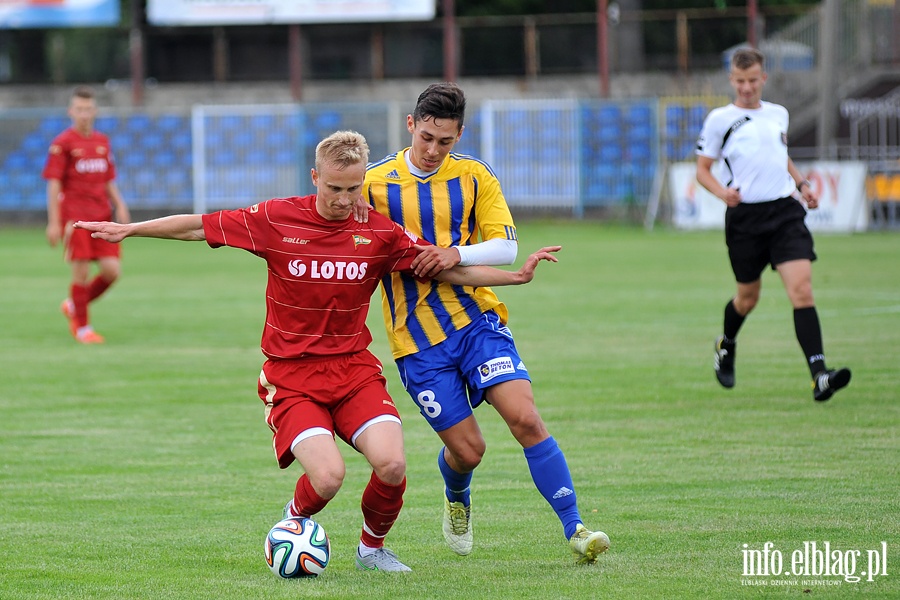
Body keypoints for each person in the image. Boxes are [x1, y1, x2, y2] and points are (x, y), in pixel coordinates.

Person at [75, 130, 561, 573]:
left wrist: (514, 277)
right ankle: (291, 526)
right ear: (315, 178)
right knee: (328, 478)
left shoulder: (379, 233)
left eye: (353, 190)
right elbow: (199, 227)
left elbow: (445, 269)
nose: (344, 200)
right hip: (292, 377)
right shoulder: (276, 218)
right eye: (334, 189)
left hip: (353, 372)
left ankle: (372, 549)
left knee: (392, 466)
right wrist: (130, 230)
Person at [361, 82, 609, 564]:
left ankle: (576, 529)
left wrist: (455, 251)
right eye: (426, 137)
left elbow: (505, 246)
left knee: (526, 419)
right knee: (469, 452)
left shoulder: (474, 177)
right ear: (410, 125)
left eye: (445, 141)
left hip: (476, 320)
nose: (433, 150)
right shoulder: (372, 184)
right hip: (417, 342)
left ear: (460, 136)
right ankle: (458, 498)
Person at [695, 48, 851, 402]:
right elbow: (702, 170)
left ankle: (819, 375)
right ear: (732, 81)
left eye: (753, 80)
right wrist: (723, 193)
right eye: (740, 81)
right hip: (745, 219)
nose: (747, 88)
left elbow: (780, 156)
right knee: (748, 299)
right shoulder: (721, 119)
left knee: (802, 291)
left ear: (763, 78)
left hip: (785, 213)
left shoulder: (778, 114)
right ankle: (726, 344)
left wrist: (802, 184)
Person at [43, 85, 130, 344]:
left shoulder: (102, 142)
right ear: (71, 111)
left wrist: (121, 205)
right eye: (79, 109)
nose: (84, 114)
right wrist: (54, 222)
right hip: (76, 219)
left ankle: (73, 305)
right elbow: (54, 183)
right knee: (80, 273)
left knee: (112, 271)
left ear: (95, 111)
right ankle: (82, 328)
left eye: (88, 109)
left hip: (102, 216)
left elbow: (108, 179)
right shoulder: (63, 143)